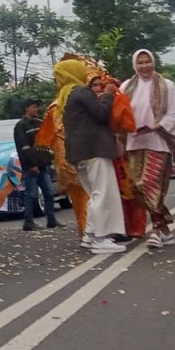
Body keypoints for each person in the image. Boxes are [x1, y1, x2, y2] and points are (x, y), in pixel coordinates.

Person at [54, 58, 126, 253]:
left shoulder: (65, 95)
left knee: (94, 193)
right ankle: (101, 239)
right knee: (103, 193)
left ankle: (90, 235)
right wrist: (108, 94)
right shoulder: (80, 91)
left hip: (79, 153)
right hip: (94, 150)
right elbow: (101, 113)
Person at [120, 50, 175, 248]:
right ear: (134, 65)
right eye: (140, 63)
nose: (144, 66)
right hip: (134, 143)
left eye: (147, 62)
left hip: (158, 142)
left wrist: (154, 127)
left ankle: (155, 230)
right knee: (136, 186)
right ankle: (166, 230)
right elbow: (120, 113)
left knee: (151, 184)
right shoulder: (126, 86)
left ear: (153, 62)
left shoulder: (167, 85)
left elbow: (173, 114)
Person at [14, 98, 61, 230]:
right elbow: (24, 148)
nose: (37, 109)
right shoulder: (21, 126)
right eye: (34, 107)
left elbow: (45, 142)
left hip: (43, 165)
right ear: (26, 108)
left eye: (37, 107)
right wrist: (31, 165)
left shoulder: (39, 124)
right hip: (31, 167)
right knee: (31, 194)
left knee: (49, 192)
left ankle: (51, 219)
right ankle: (28, 222)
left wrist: (49, 158)